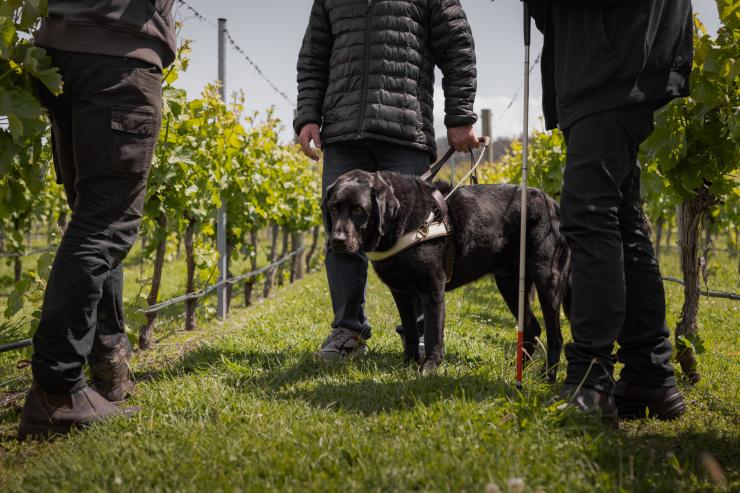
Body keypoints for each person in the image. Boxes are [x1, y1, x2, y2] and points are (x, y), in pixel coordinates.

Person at [18, 0, 176, 440]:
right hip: (116, 58)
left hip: (63, 53)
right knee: (105, 224)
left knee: (91, 218)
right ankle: (57, 390)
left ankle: (106, 368)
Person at [529, 0, 693, 422]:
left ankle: (591, 379)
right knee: (619, 218)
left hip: (611, 55)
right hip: (612, 55)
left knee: (588, 215)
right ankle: (648, 375)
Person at [295, 0, 479, 361]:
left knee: (419, 240)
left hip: (405, 130)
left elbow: (457, 44)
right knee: (341, 232)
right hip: (343, 132)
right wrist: (307, 115)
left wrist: (460, 114)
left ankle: (423, 334)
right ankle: (348, 330)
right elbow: (314, 57)